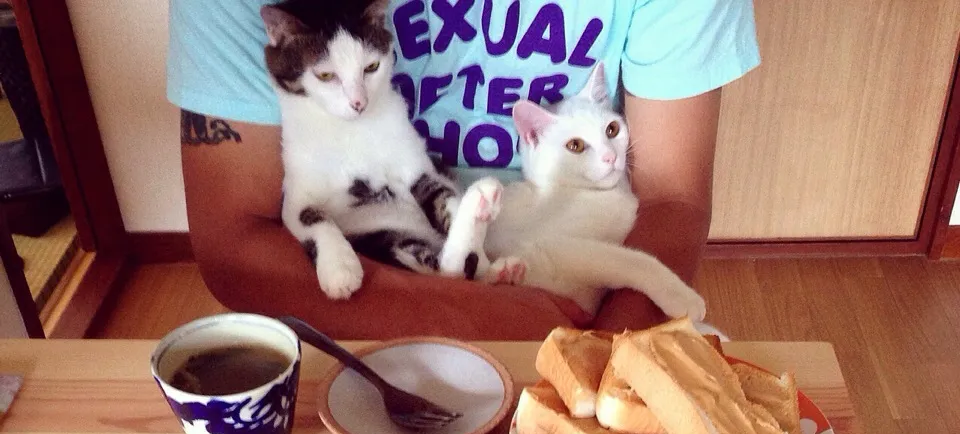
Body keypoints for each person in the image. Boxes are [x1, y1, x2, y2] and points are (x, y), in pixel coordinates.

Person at [167, 1, 759, 338]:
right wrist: (465, 313)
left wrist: (601, 360)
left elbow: (671, 200)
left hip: (580, 306)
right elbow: (233, 241)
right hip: (345, 313)